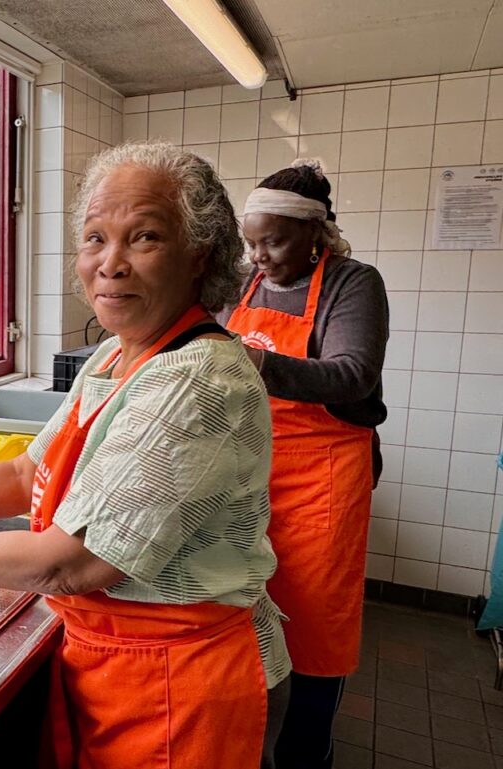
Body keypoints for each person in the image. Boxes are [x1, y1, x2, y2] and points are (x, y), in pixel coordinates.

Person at [0, 141, 290, 768]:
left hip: (185, 682)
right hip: (116, 663)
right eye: (95, 238)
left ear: (197, 256)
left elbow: (70, 564)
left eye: (144, 237)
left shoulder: (197, 377)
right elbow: (27, 472)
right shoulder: (117, 353)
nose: (111, 264)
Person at [219, 160, 389, 769]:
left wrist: (254, 364)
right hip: (251, 470)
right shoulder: (244, 285)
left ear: (316, 232)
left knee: (316, 623)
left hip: (325, 479)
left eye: (273, 241)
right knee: (241, 606)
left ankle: (307, 751)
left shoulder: (353, 282)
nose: (259, 256)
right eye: (251, 242)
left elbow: (353, 375)